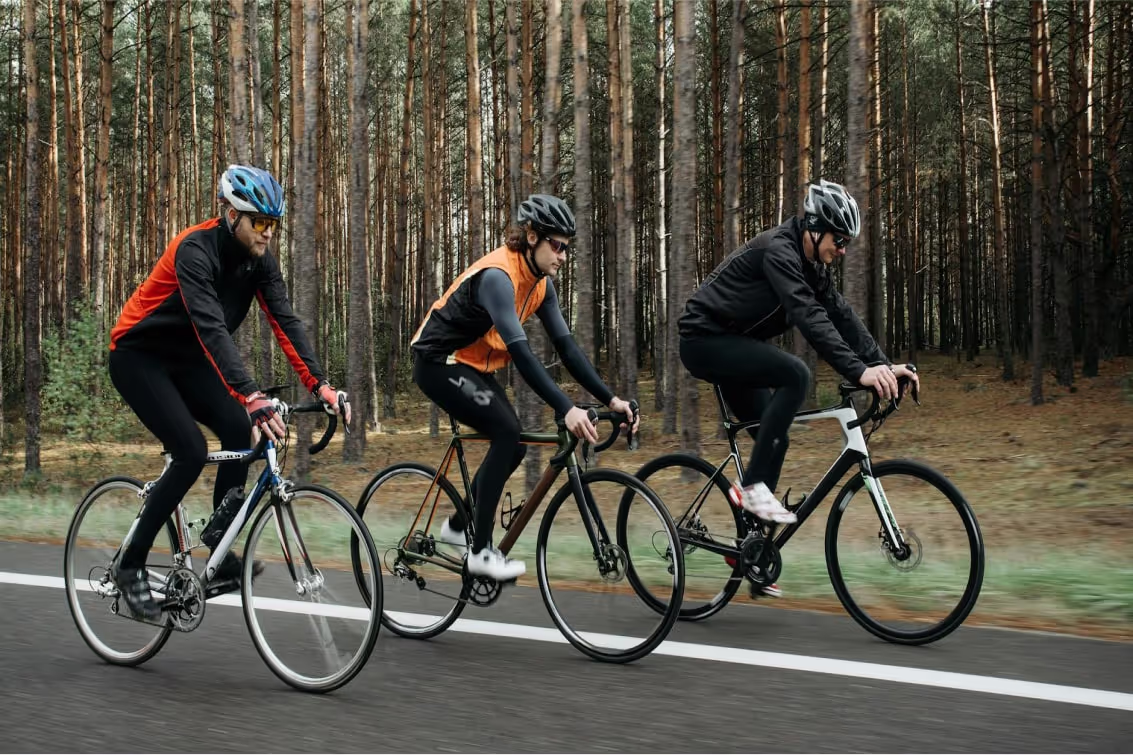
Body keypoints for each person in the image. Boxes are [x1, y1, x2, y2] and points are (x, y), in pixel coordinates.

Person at [107, 164, 351, 620]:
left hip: (188, 362)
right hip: (139, 355)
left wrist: (321, 384)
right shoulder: (194, 250)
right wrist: (251, 394)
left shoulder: (260, 263)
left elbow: (286, 323)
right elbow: (211, 328)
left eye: (274, 224)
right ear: (231, 213)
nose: (267, 234)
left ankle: (218, 551)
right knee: (190, 450)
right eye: (259, 222)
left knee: (240, 433)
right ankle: (130, 564)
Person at [678, 180, 919, 595]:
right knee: (796, 374)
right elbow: (808, 316)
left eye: (845, 242)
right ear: (813, 227)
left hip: (735, 345)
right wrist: (859, 373)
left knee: (777, 437)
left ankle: (749, 554)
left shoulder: (814, 267)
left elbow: (841, 315)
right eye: (838, 239)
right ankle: (753, 493)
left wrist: (881, 364)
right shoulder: (779, 252)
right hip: (703, 341)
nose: (842, 249)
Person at [410, 194, 639, 581]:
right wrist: (567, 408)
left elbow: (566, 348)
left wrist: (611, 399)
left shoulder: (540, 285)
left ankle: (455, 526)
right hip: (437, 362)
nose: (563, 255)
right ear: (531, 236)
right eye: (557, 245)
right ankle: (480, 553)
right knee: (507, 430)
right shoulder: (499, 277)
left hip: (468, 364)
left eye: (568, 247)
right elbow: (521, 352)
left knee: (513, 443)